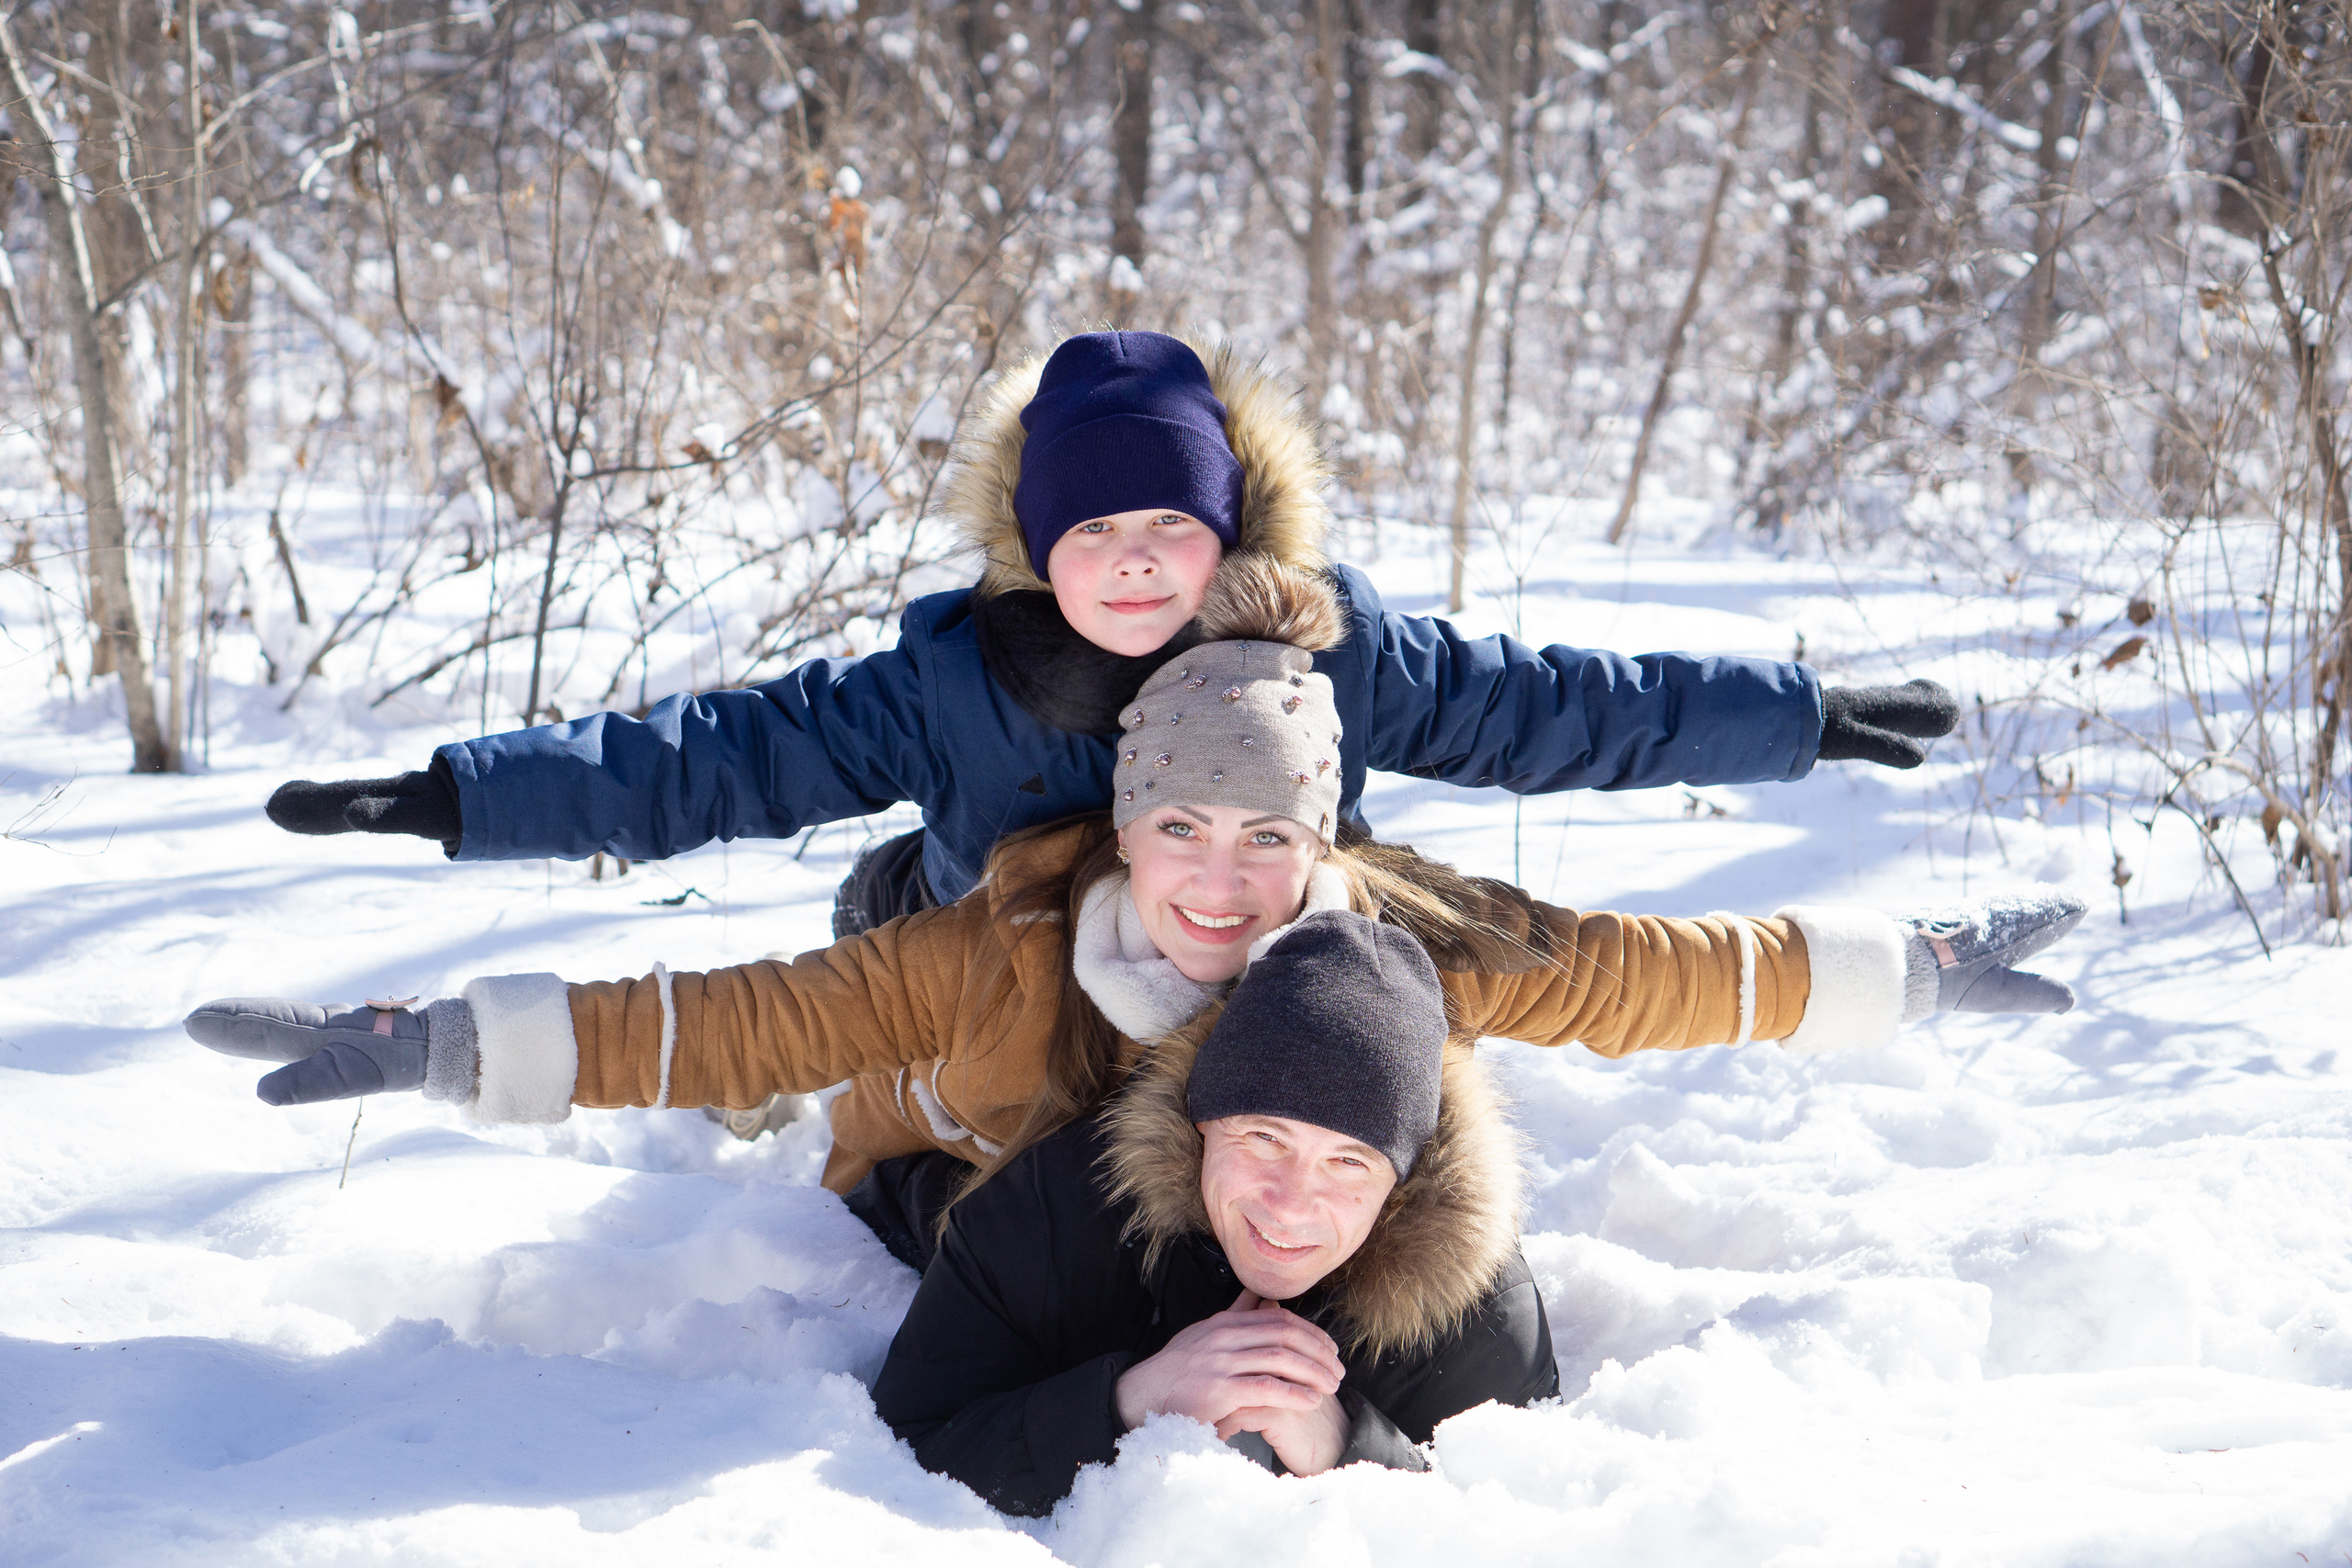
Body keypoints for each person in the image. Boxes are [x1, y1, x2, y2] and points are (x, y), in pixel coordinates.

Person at [187, 560, 2083, 1263]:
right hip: (958, 1124)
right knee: (997, 1185)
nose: (1228, 886)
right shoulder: (1013, 931)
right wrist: (435, 1040)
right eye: (1184, 836)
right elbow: (732, 1016)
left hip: (1228, 1134)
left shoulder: (1372, 931)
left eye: (1271, 847)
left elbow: (1639, 973)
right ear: (1121, 822)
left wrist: (1900, 976)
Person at [263, 331, 1960, 942]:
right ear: (1037, 544)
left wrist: (1799, 715)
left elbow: (1574, 711)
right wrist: (460, 797)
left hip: (1238, 935)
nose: (1139, 562)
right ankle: (887, 915)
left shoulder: (1336, 652)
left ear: (1229, 530)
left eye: (1172, 526)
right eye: (1097, 533)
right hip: (1003, 938)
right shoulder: (951, 683)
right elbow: (719, 761)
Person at [867, 908, 1556, 1515]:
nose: (1291, 1204)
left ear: (1400, 1180)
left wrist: (1347, 1444)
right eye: (1264, 1138)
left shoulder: (1478, 1309)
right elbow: (908, 1444)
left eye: (1350, 1161)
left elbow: (1523, 1524)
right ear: (1202, 1123)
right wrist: (1128, 1400)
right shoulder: (1055, 1202)